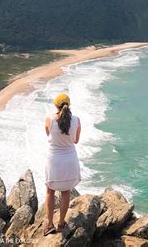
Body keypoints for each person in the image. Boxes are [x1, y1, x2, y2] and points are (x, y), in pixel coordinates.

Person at [44, 93, 81, 236]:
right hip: (69, 160)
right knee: (66, 192)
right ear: (69, 105)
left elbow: (48, 135)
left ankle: (49, 224)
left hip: (53, 159)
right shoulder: (77, 120)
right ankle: (60, 223)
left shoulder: (50, 119)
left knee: (50, 191)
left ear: (55, 105)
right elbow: (76, 140)